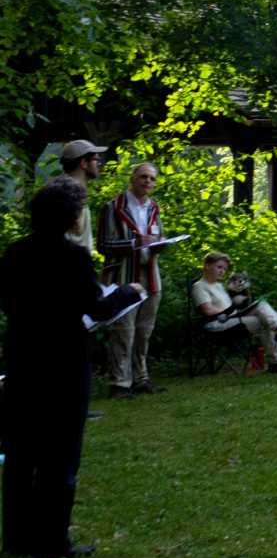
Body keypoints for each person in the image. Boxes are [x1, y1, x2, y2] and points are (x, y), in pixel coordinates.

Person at [2, 178, 144, 558]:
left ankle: (15, 537)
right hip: (64, 363)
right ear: (71, 217)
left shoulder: (14, 253)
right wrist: (129, 293)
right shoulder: (73, 257)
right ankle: (51, 541)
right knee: (60, 454)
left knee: (20, 453)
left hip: (22, 360)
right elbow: (98, 308)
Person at [99, 161, 170, 398]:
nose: (147, 181)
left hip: (150, 275)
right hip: (123, 276)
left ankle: (141, 379)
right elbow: (102, 245)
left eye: (151, 178)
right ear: (132, 179)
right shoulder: (112, 207)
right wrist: (133, 244)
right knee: (123, 330)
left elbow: (158, 237)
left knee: (144, 331)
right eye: (143, 177)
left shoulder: (154, 208)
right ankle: (119, 384)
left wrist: (160, 244)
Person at [190, 251, 277, 374]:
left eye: (224, 268)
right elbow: (207, 310)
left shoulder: (218, 286)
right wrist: (231, 313)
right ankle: (276, 363)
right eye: (219, 267)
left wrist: (236, 311)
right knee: (263, 320)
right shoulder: (199, 286)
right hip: (217, 325)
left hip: (232, 318)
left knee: (262, 304)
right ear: (207, 266)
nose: (222, 271)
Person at [54, 139, 107, 255]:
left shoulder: (65, 187)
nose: (98, 163)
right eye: (95, 159)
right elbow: (73, 225)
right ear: (83, 163)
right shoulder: (67, 191)